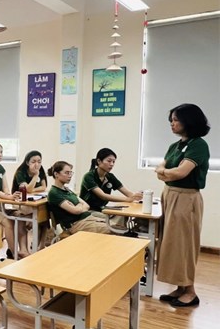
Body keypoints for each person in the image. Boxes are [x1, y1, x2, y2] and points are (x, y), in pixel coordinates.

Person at [154, 103, 210, 307]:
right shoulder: (175, 146)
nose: (172, 123)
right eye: (171, 120)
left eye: (176, 120)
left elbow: (180, 172)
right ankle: (180, 287)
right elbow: (162, 169)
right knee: (171, 244)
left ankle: (191, 291)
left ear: (189, 121)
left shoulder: (199, 145)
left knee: (185, 244)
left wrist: (165, 172)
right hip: (169, 195)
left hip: (186, 199)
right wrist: (167, 172)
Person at [47, 161, 112, 235]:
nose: (70, 176)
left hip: (86, 218)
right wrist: (79, 206)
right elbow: (76, 211)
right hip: (76, 224)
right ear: (56, 174)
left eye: (71, 173)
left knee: (115, 225)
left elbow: (86, 205)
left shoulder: (67, 189)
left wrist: (78, 206)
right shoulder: (54, 193)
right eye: (67, 173)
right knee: (113, 230)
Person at [79, 148, 143, 213]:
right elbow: (103, 196)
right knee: (111, 218)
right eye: (109, 161)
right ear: (99, 161)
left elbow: (128, 193)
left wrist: (137, 196)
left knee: (122, 215)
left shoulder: (110, 176)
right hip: (88, 210)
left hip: (102, 209)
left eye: (113, 162)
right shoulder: (88, 176)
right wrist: (127, 199)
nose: (112, 164)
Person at [12, 150, 49, 250]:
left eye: (39, 161)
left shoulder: (41, 170)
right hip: (20, 202)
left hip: (34, 201)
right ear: (27, 162)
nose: (37, 164)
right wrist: (36, 176)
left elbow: (43, 187)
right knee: (38, 215)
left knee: (46, 215)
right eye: (33, 161)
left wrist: (32, 190)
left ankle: (41, 245)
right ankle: (32, 245)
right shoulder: (20, 172)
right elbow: (27, 189)